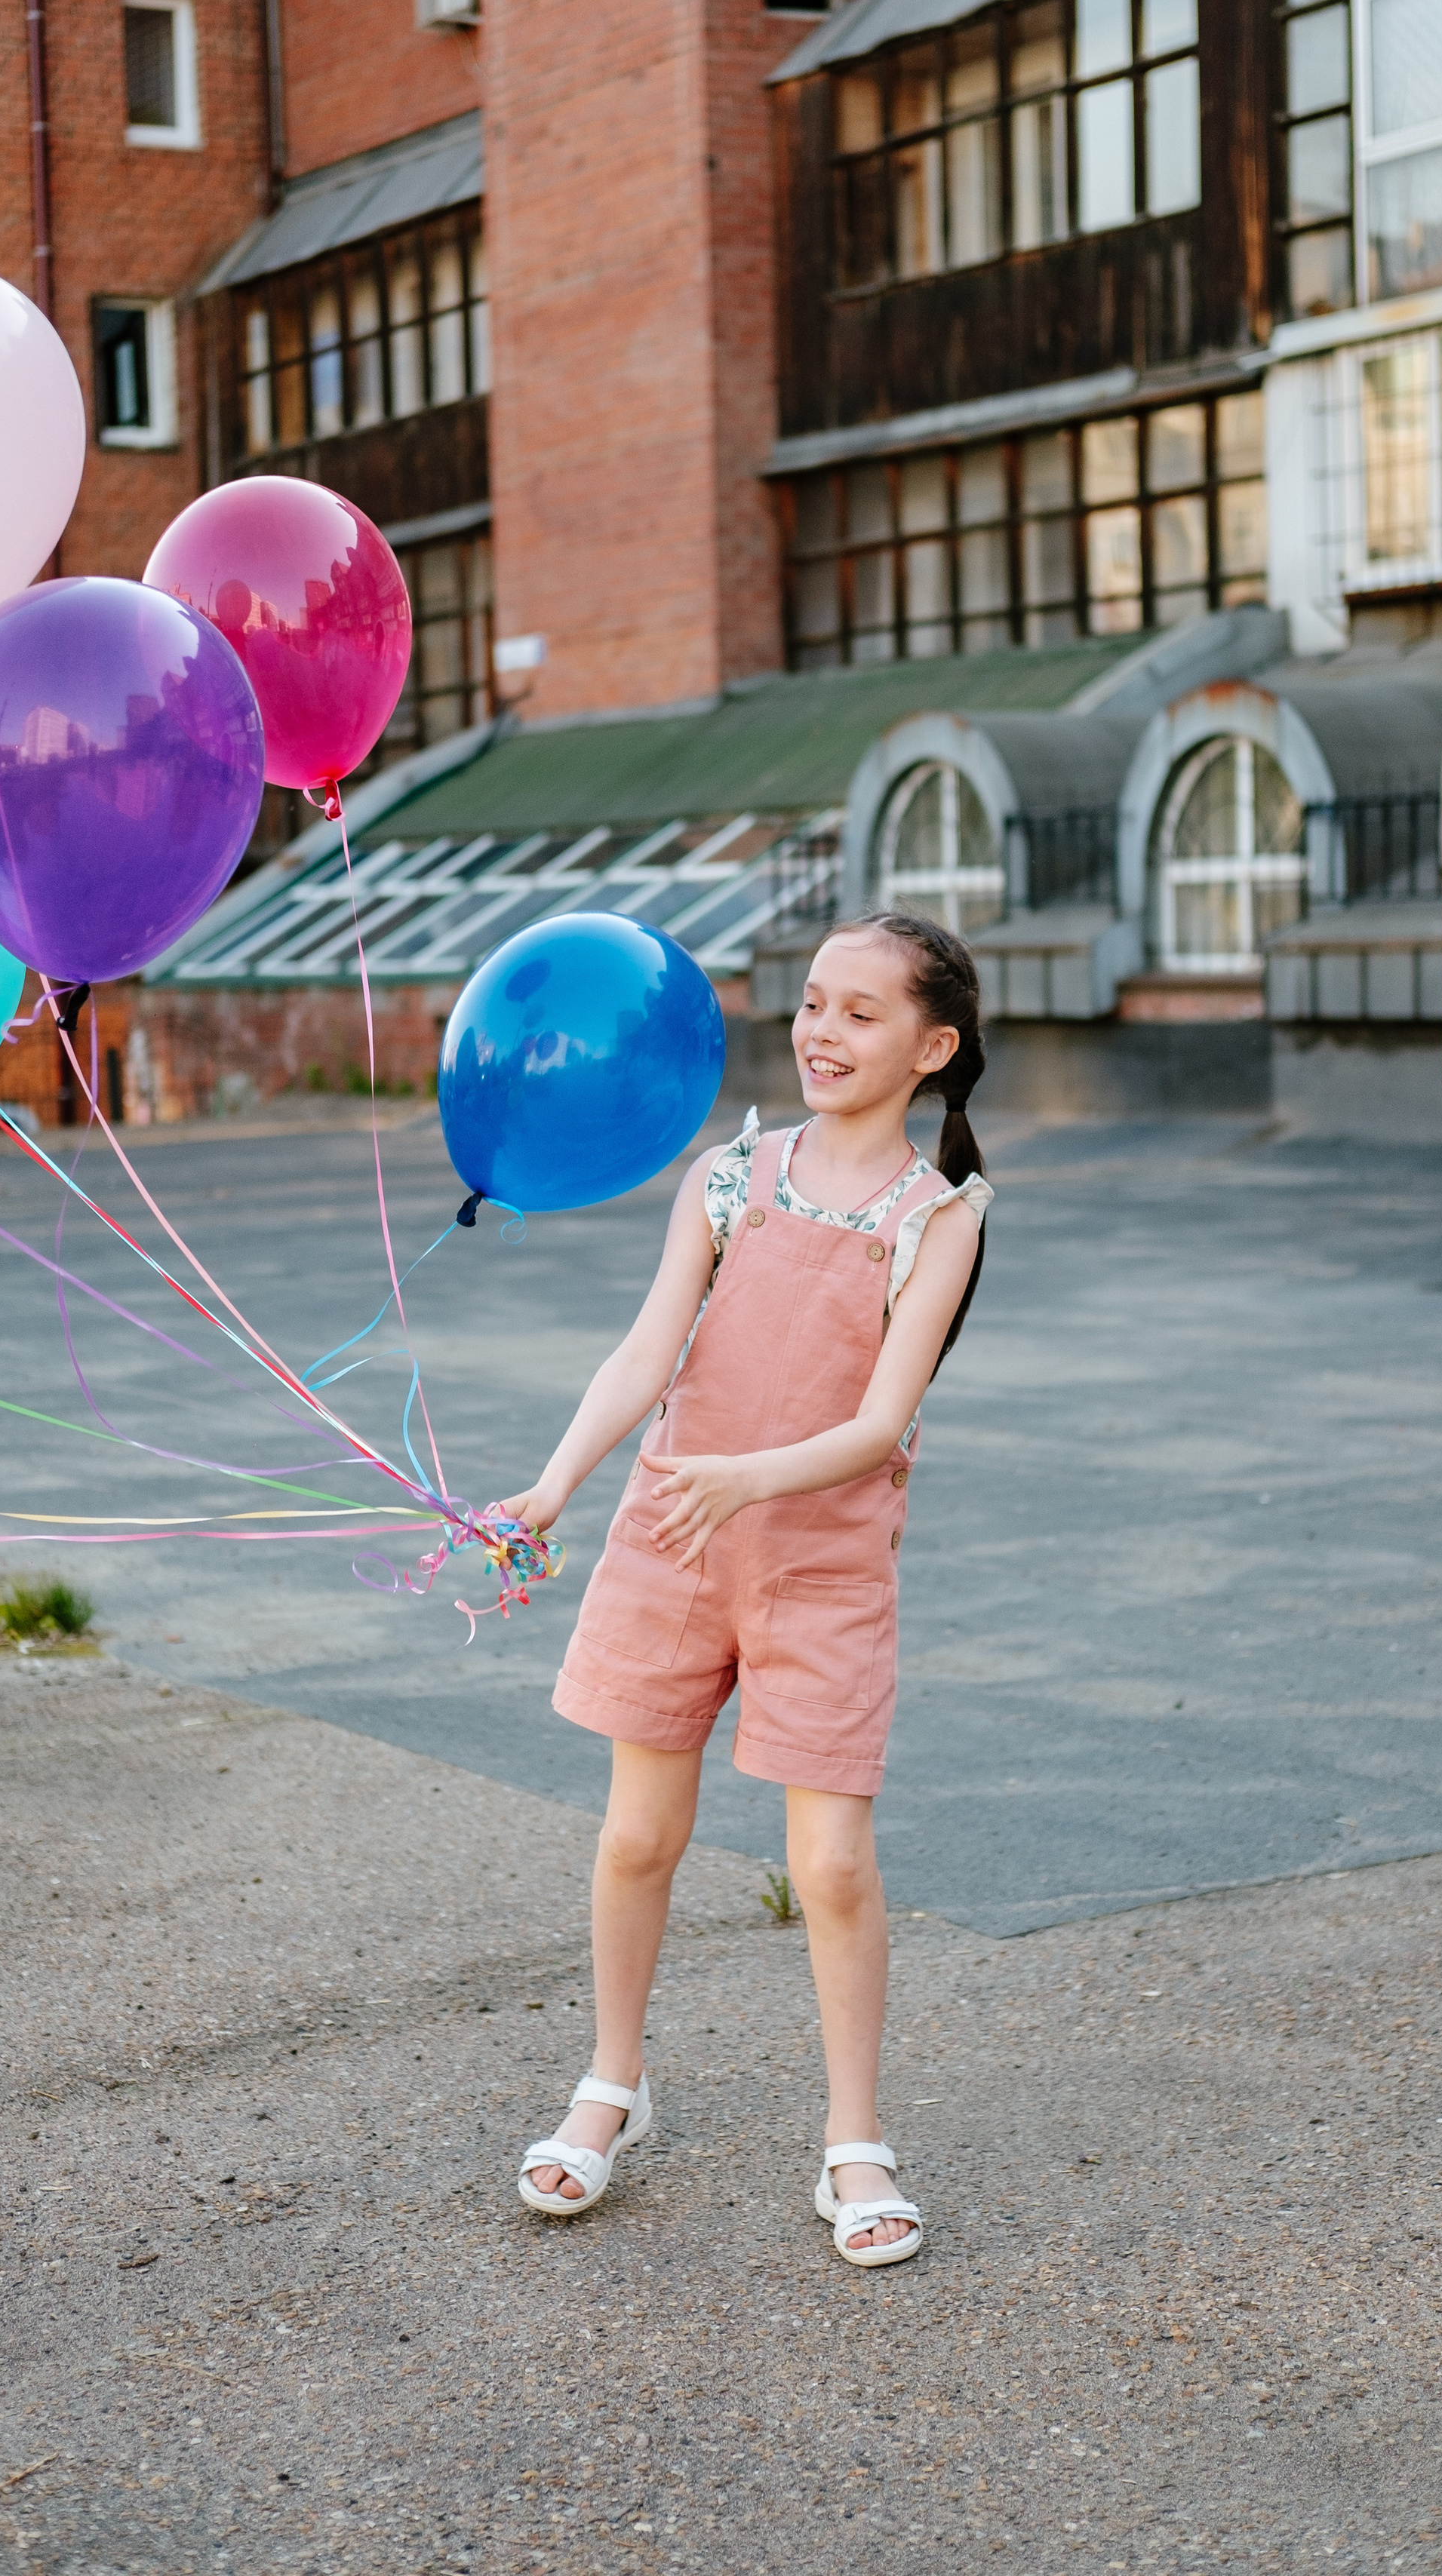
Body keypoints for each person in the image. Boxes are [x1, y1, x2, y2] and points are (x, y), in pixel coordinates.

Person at [494, 908, 992, 2267]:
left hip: (821, 1570)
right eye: (815, 1004)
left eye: (862, 1013)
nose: (823, 1032)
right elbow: (646, 1353)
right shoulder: (731, 1177)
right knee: (638, 1837)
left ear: (932, 1047)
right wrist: (550, 1489)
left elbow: (883, 1422)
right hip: (674, 1545)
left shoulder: (934, 1218)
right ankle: (613, 2086)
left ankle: (854, 2141)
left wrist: (746, 1478)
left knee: (829, 1866)